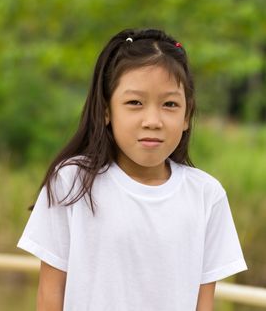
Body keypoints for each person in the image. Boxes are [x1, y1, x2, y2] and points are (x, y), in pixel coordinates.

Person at [17, 28, 247, 311]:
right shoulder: (71, 182)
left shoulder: (206, 195)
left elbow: (203, 303)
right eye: (135, 103)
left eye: (170, 104)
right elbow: (50, 294)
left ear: (187, 116)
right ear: (106, 110)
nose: (153, 120)